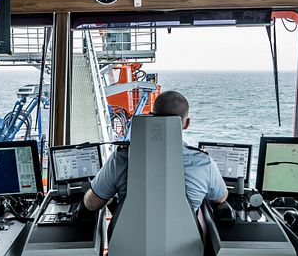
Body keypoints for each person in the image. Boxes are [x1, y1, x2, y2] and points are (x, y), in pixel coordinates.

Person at [82, 90, 228, 214]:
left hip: (128, 246)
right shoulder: (203, 163)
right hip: (185, 247)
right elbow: (220, 198)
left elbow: (91, 204)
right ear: (186, 124)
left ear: (152, 116)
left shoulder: (122, 157)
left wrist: (108, 198)